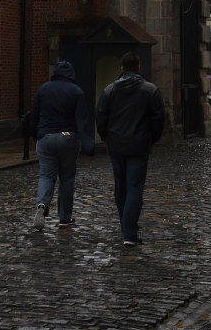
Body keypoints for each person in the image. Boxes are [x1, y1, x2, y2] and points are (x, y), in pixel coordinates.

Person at [96, 52, 165, 246]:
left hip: (116, 146)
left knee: (121, 188)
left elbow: (100, 116)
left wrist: (106, 137)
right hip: (139, 145)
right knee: (134, 188)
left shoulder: (109, 90)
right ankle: (129, 233)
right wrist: (153, 139)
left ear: (121, 69)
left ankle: (125, 227)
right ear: (139, 67)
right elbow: (158, 119)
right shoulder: (150, 90)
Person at [31, 60, 95, 231]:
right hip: (67, 137)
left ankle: (42, 204)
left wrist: (35, 134)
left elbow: (34, 115)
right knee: (67, 178)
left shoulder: (44, 89)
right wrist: (89, 144)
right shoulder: (76, 91)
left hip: (46, 137)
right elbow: (82, 120)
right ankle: (65, 217)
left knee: (46, 175)